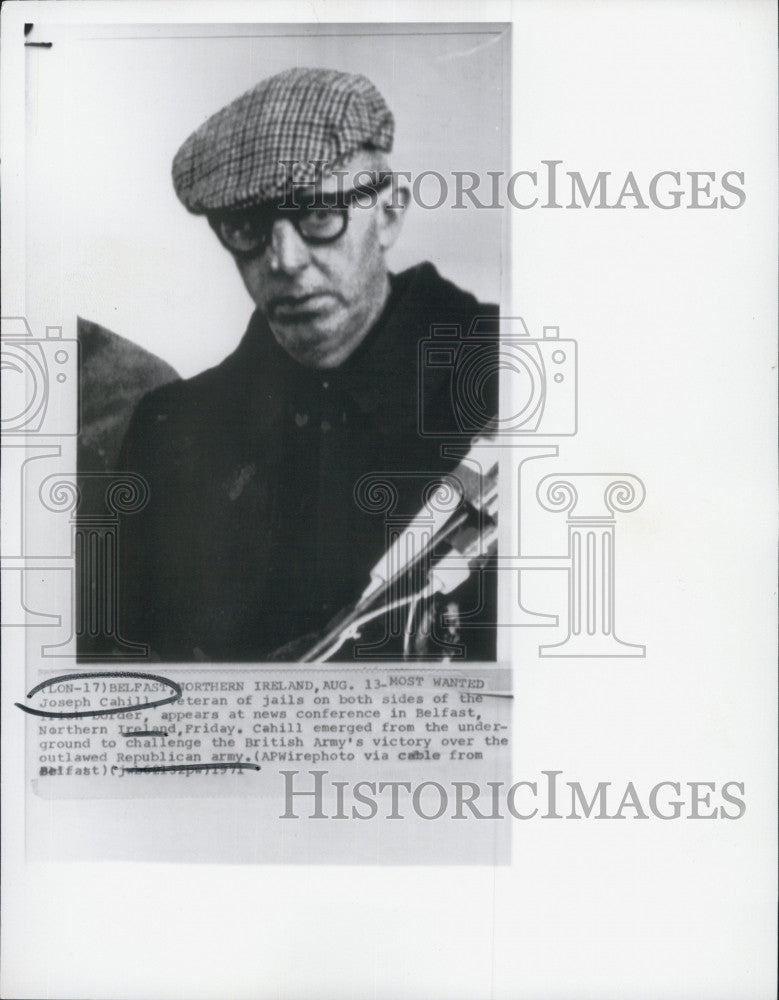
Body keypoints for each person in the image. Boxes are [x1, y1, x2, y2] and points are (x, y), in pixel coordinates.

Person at [115, 66, 497, 662]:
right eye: (247, 227)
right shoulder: (174, 429)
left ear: (390, 212)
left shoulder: (512, 377)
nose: (285, 261)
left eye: (319, 215)